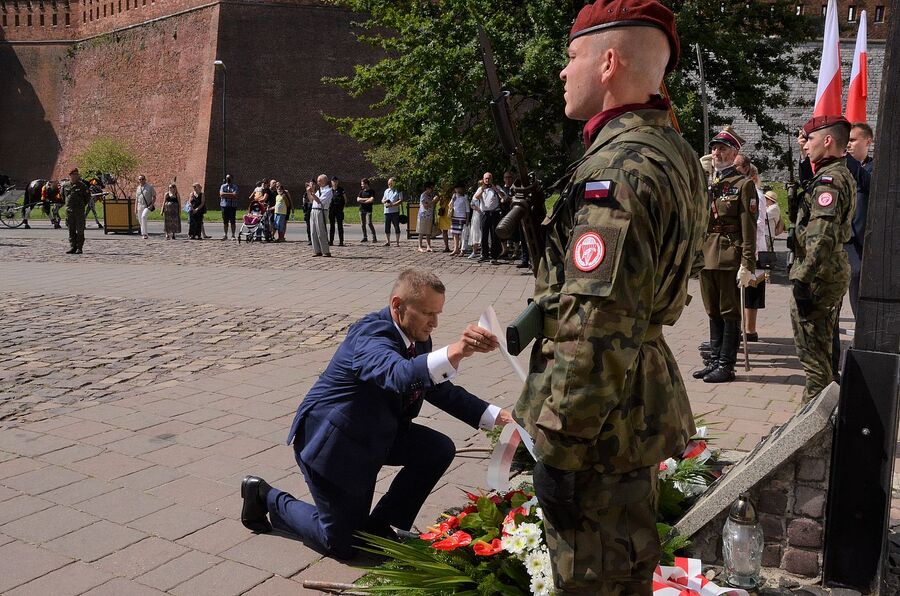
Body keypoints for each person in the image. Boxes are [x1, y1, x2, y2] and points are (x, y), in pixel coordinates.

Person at [512, 2, 707, 592]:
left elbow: (596, 326)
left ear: (609, 62)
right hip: (633, 406)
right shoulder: (671, 152)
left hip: (600, 425)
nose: (563, 73)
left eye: (572, 57)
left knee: (593, 576)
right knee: (628, 569)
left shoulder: (617, 171)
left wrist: (561, 449)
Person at [239, 269, 513, 558]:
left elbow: (436, 388)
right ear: (397, 306)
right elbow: (399, 375)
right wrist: (457, 350)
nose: (434, 323)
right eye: (426, 313)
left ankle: (382, 528)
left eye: (438, 313)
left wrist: (497, 416)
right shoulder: (369, 334)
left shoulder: (418, 335)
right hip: (336, 445)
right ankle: (265, 496)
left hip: (376, 432)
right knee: (342, 545)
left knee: (437, 449)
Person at [791, 115, 855, 403]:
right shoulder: (836, 174)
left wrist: (802, 279)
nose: (806, 146)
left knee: (814, 360)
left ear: (828, 140)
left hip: (819, 275)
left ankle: (813, 433)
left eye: (811, 140)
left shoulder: (830, 180)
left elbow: (822, 234)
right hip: (828, 271)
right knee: (822, 354)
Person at [693, 126, 757, 384]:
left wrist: (748, 263)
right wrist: (701, 175)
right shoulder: (707, 183)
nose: (716, 152)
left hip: (730, 255)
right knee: (712, 310)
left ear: (734, 154)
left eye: (722, 148)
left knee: (729, 311)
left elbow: (748, 227)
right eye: (714, 148)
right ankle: (713, 360)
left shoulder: (742, 185)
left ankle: (726, 364)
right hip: (706, 254)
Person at [843, 122, 874, 317]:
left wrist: (841, 152)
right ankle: (859, 322)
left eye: (853, 140)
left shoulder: (874, 168)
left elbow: (865, 182)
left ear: (868, 141)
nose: (849, 144)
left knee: (862, 278)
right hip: (848, 237)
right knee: (855, 275)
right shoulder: (843, 170)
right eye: (846, 141)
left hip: (868, 236)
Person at [472, 172, 506, 264]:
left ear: (492, 179)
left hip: (494, 213)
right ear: (483, 179)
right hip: (484, 214)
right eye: (486, 178)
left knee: (494, 235)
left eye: (489, 178)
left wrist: (495, 189)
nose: (487, 180)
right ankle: (484, 254)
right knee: (484, 235)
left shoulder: (497, 187)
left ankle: (494, 256)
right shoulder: (481, 188)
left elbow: (503, 197)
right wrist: (482, 190)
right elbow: (476, 198)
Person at [62, 168, 91, 254]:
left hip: (79, 211)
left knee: (80, 230)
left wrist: (81, 206)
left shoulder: (82, 186)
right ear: (70, 175)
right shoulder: (65, 186)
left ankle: (79, 247)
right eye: (74, 175)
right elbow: (63, 196)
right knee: (71, 230)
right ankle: (72, 247)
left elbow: (87, 198)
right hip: (69, 211)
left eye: (77, 174)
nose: (75, 176)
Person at [306, 174, 332, 257]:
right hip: (314, 210)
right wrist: (308, 192)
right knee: (313, 232)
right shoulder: (319, 190)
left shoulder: (328, 190)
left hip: (321, 211)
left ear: (324, 181)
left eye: (319, 181)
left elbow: (319, 202)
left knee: (321, 231)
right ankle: (317, 250)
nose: (317, 182)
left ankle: (325, 251)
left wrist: (312, 192)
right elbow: (311, 200)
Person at [382, 177, 403, 247]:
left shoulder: (398, 191)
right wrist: (384, 201)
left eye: (391, 183)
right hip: (387, 211)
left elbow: (400, 200)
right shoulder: (386, 191)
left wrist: (392, 204)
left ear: (394, 183)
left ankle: (397, 242)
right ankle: (388, 241)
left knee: (396, 226)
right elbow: (382, 199)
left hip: (395, 211)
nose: (389, 184)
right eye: (388, 183)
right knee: (387, 227)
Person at [449, 184, 469, 256]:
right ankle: (455, 249)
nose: (458, 190)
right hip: (455, 217)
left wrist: (467, 219)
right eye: (457, 188)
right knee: (455, 234)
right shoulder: (454, 197)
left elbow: (467, 210)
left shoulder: (465, 197)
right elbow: (450, 206)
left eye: (459, 188)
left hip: (462, 217)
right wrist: (453, 200)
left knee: (462, 235)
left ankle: (462, 249)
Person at [135, 175, 157, 239]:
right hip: (139, 206)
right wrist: (135, 208)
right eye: (140, 179)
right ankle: (144, 233)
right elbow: (137, 198)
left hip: (147, 206)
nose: (141, 180)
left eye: (142, 179)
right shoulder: (138, 188)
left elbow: (154, 197)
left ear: (145, 179)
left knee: (143, 216)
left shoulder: (149, 187)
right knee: (140, 220)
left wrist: (151, 204)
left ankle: (144, 234)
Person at [357, 178, 378, 243]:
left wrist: (363, 201)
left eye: (362, 184)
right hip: (361, 210)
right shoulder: (361, 192)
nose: (361, 185)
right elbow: (358, 199)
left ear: (366, 184)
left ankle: (374, 237)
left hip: (368, 210)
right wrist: (367, 199)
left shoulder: (372, 191)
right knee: (362, 224)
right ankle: (365, 237)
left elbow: (371, 200)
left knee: (369, 223)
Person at [219, 174, 239, 240]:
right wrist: (231, 194)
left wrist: (226, 194)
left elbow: (235, 195)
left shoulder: (235, 186)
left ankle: (233, 235)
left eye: (229, 178)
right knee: (225, 221)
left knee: (233, 221)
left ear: (232, 179)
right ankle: (225, 234)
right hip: (224, 205)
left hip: (232, 206)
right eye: (227, 178)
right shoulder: (223, 186)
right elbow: (221, 194)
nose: (228, 179)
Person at [417, 183, 435, 253]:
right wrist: (433, 201)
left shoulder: (431, 195)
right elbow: (425, 205)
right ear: (427, 188)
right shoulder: (423, 195)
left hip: (429, 215)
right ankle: (420, 246)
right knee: (421, 231)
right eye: (431, 188)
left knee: (428, 232)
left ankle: (428, 246)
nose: (432, 190)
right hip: (423, 215)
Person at [329, 176, 346, 246]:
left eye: (336, 181)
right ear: (331, 182)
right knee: (332, 226)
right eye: (333, 181)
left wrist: (342, 207)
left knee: (340, 226)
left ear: (337, 182)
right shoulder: (329, 190)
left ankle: (341, 241)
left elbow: (345, 199)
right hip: (332, 210)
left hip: (339, 210)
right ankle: (331, 241)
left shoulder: (341, 190)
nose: (334, 182)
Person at [467, 190, 482, 259]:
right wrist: (476, 208)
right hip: (476, 216)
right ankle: (474, 251)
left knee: (484, 233)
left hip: (484, 215)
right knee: (475, 234)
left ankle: (484, 251)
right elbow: (472, 204)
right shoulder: (476, 194)